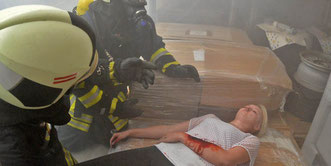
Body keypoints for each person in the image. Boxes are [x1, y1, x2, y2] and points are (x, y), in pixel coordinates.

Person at [0, 5, 155, 166]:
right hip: (83, 125)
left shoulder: (25, 115)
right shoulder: (14, 153)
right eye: (66, 90)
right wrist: (114, 108)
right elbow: (80, 84)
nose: (69, 94)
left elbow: (77, 73)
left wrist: (117, 70)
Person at [57, 0, 200, 153]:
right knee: (67, 149)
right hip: (82, 112)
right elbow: (79, 81)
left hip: (116, 104)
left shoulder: (136, 22)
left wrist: (171, 66)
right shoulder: (83, 26)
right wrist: (112, 107)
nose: (139, 7)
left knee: (115, 148)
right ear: (106, 6)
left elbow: (153, 47)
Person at [79, 104, 268, 166]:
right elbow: (168, 129)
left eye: (254, 111)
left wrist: (182, 137)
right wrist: (132, 132)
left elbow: (224, 159)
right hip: (158, 152)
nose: (248, 107)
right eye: (247, 105)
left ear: (257, 126)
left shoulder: (250, 140)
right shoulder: (211, 118)